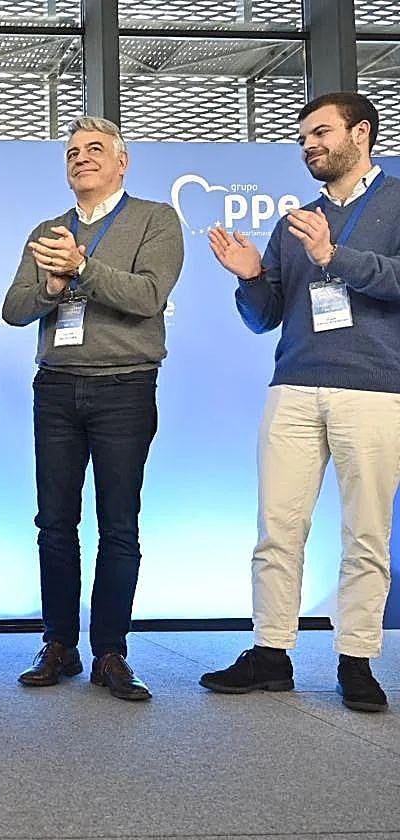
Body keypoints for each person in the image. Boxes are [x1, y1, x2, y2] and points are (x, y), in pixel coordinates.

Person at [203, 92, 400, 713]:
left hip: (372, 389)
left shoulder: (396, 203)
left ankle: (358, 659)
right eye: (302, 138)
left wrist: (334, 256)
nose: (309, 145)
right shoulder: (294, 222)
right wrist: (249, 276)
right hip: (292, 387)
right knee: (277, 529)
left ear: (361, 134)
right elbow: (265, 318)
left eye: (320, 133)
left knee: (364, 532)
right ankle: (271, 652)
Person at [2, 116, 184, 702]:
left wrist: (82, 269)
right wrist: (52, 290)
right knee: (54, 524)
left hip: (124, 388)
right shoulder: (47, 229)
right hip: (55, 389)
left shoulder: (155, 219)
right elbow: (13, 309)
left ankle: (111, 651)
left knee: (118, 525)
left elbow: (148, 295)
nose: (81, 159)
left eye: (95, 150)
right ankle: (59, 643)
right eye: (73, 152)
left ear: (122, 161)